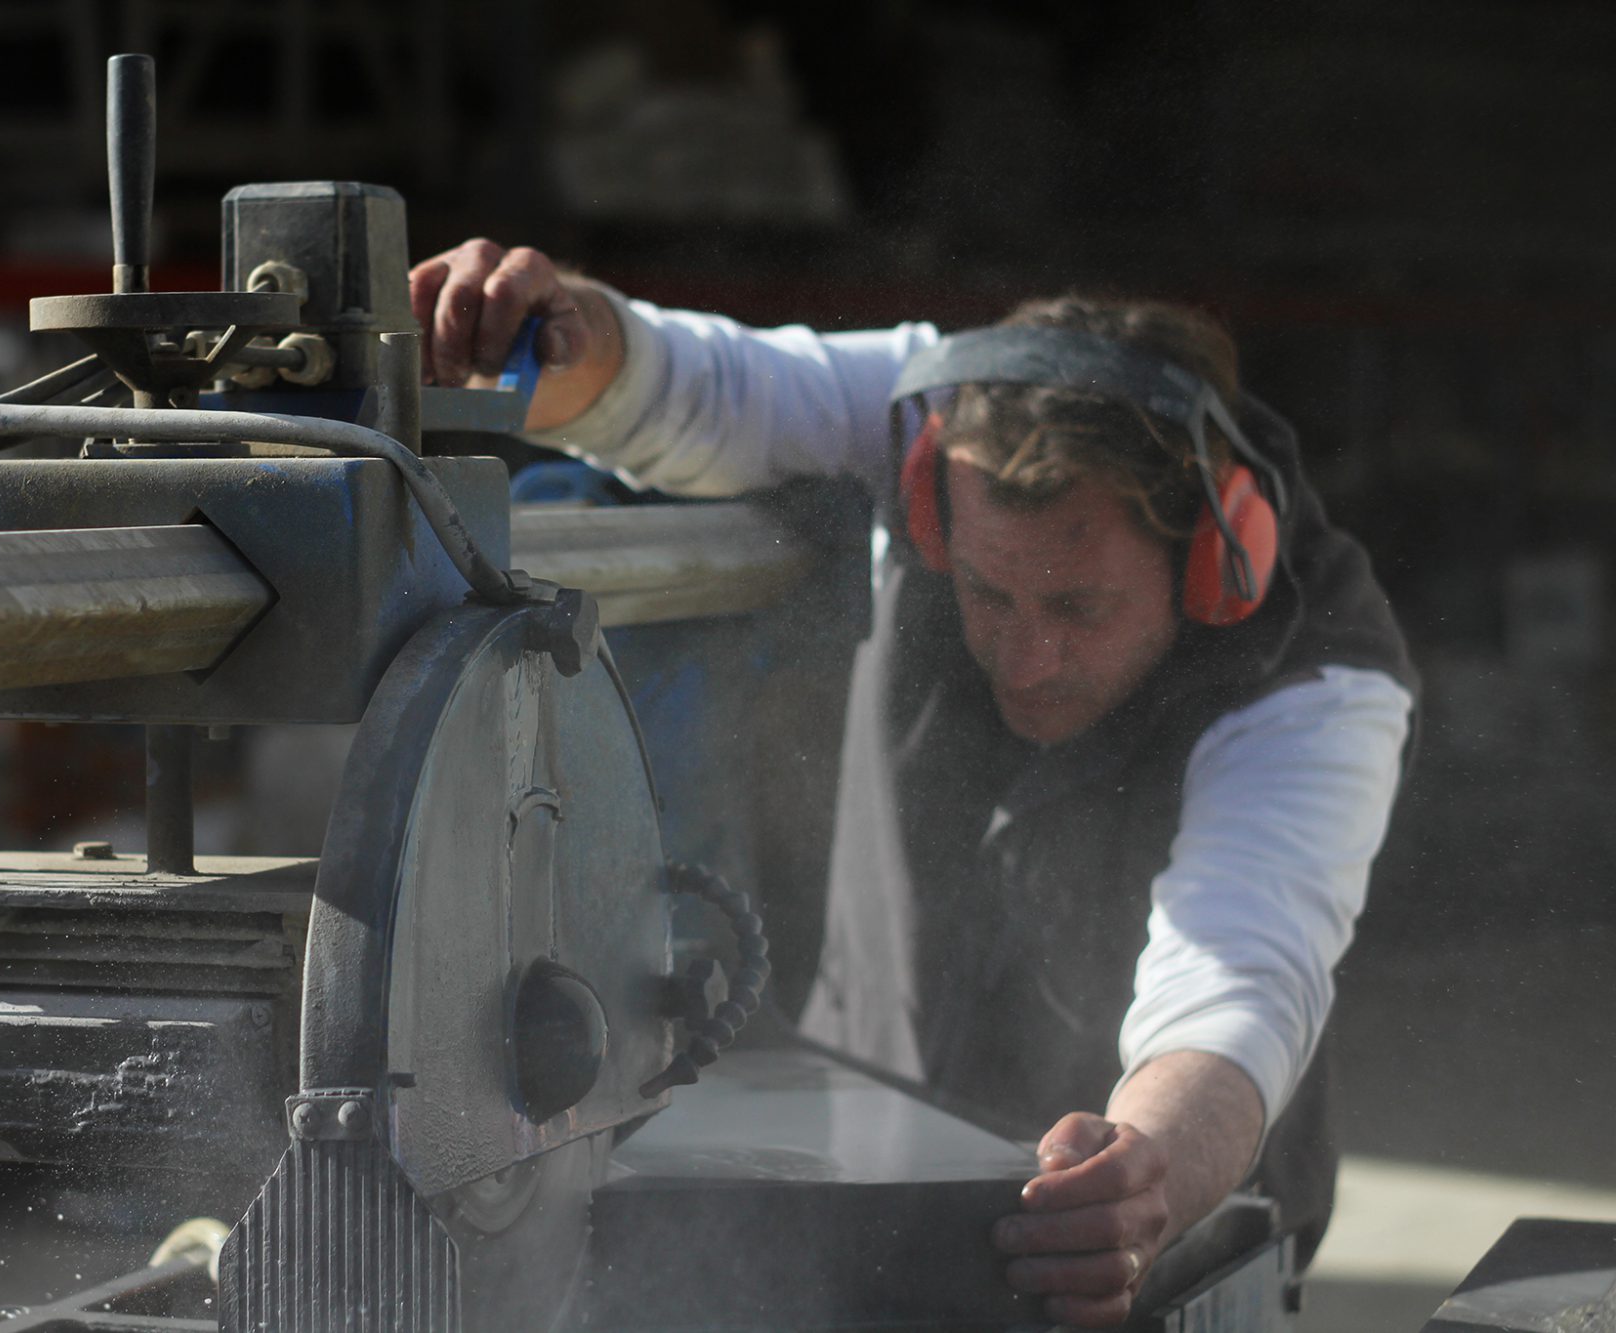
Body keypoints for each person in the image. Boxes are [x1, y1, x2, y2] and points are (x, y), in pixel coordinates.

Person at [410, 240, 1416, 1329]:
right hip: (884, 1156)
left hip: (1153, 1238)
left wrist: (1143, 1173)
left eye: (1078, 609)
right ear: (933, 500)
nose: (1024, 659)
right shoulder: (936, 419)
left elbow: (1239, 976)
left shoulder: (1315, 681)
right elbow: (702, 389)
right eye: (988, 592)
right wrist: (560, 331)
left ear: (1211, 567)